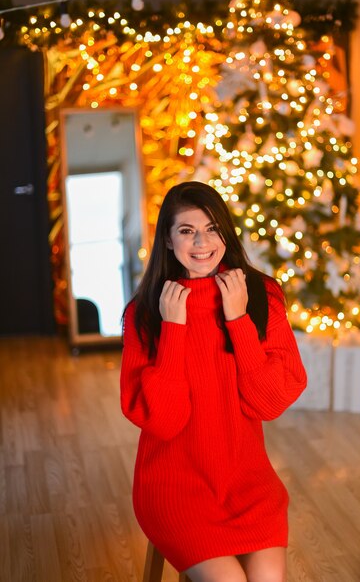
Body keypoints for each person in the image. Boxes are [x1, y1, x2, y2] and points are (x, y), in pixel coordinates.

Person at [120, 181, 307, 582]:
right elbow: (165, 421)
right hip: (175, 488)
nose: (201, 241)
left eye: (212, 228)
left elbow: (268, 403)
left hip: (247, 481)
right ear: (168, 240)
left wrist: (238, 320)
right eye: (187, 230)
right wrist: (174, 329)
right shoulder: (144, 314)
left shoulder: (261, 295)